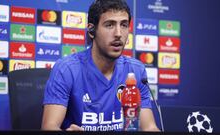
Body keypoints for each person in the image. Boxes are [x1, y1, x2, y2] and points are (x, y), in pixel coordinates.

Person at [41, 0, 159, 131]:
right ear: (91, 30)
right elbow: (49, 127)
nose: (118, 33)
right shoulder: (66, 69)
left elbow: (149, 127)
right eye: (109, 25)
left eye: (124, 25)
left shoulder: (136, 71)